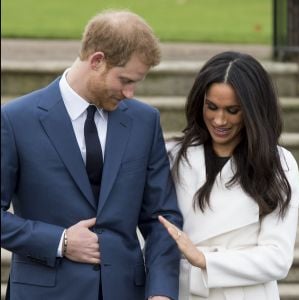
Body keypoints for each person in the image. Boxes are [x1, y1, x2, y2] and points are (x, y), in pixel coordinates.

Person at [1, 10, 183, 300]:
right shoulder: (15, 119)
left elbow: (162, 218)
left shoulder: (144, 121)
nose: (130, 93)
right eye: (124, 80)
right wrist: (60, 241)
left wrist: (161, 291)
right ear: (97, 61)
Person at [158, 51, 299, 300]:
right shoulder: (173, 156)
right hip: (182, 292)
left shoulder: (279, 164)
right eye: (211, 107)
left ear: (253, 110)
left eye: (233, 110)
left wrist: (205, 259)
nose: (219, 120)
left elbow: (277, 258)